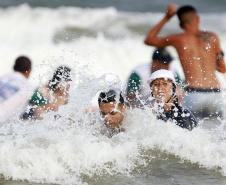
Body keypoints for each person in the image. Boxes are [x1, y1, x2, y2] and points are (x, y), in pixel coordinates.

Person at [144, 4, 226, 118]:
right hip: (214, 93)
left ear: (180, 25)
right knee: (215, 132)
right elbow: (222, 69)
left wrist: (167, 18)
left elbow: (149, 40)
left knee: (190, 131)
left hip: (194, 93)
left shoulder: (178, 39)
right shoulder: (212, 37)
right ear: (197, 19)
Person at [0, 56, 35, 123]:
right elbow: (45, 102)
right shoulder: (29, 87)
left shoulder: (2, 78)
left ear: (13, 67)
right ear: (30, 70)